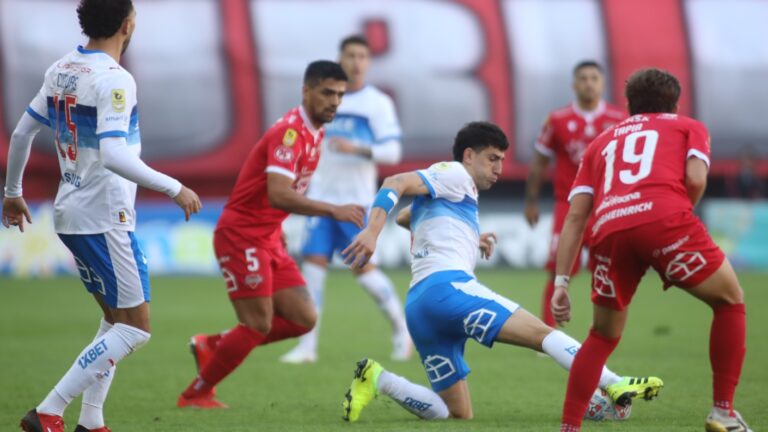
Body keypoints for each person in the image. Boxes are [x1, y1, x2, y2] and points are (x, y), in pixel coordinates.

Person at [339, 122, 661, 423]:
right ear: (468, 156)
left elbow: (405, 218)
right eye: (492, 158)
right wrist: (371, 231)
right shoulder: (453, 173)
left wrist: (467, 236)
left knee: (456, 412)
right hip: (449, 290)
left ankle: (379, 378)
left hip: (420, 306)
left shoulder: (450, 190)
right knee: (544, 335)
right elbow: (394, 182)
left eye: (502, 160)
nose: (499, 168)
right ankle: (613, 382)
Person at [2, 1, 202, 431]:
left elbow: (21, 133)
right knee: (136, 330)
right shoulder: (115, 80)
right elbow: (113, 154)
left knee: (114, 322)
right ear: (129, 25)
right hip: (105, 217)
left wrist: (13, 193)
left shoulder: (62, 68)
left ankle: (91, 421)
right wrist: (175, 187)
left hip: (71, 211)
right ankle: (48, 411)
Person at [552, 68, 751, 432]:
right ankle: (723, 412)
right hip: (665, 220)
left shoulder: (600, 144)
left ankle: (569, 427)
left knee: (602, 336)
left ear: (629, 105)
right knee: (730, 301)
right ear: (675, 103)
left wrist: (562, 282)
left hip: (609, 231)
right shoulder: (688, 126)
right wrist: (672, 225)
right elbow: (695, 178)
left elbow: (576, 217)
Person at [177, 60, 365, 408]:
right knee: (256, 324)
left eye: (340, 94)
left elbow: (273, 195)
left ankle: (212, 345)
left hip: (267, 236)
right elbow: (278, 192)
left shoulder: (317, 132)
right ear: (306, 91)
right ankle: (196, 393)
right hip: (242, 234)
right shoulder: (289, 133)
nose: (335, 101)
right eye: (327, 92)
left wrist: (277, 228)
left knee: (304, 318)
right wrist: (332, 209)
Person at [280, 35, 411, 364]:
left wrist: (358, 149)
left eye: (362, 56)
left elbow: (393, 151)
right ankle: (307, 347)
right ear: (340, 58)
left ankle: (401, 329)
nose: (356, 62)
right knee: (312, 271)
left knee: (366, 274)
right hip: (320, 202)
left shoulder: (376, 103)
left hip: (356, 205)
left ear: (368, 62)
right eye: (350, 55)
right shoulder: (323, 100)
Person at [525, 61, 626, 327]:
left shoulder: (619, 120)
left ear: (603, 84)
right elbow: (539, 163)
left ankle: (603, 330)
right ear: (574, 84)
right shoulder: (557, 120)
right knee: (558, 271)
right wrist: (531, 201)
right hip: (568, 207)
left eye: (594, 78)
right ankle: (548, 333)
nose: (589, 83)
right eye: (583, 78)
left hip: (606, 206)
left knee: (607, 273)